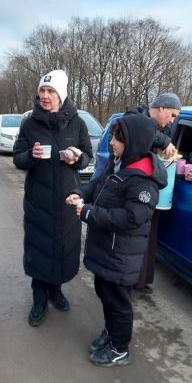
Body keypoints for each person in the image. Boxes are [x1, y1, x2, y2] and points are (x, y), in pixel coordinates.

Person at [66, 111, 167, 366]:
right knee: (103, 291)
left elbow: (131, 218)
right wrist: (79, 193)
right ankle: (111, 333)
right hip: (106, 249)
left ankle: (120, 348)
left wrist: (89, 212)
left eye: (118, 138)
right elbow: (96, 184)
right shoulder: (117, 162)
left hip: (121, 254)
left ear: (134, 142)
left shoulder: (144, 181)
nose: (112, 142)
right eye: (112, 136)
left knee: (119, 302)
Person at [13, 69, 93, 326]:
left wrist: (77, 157)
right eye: (42, 91)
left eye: (51, 91)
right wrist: (31, 156)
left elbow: (87, 157)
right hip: (39, 199)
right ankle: (39, 298)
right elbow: (17, 158)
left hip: (67, 198)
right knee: (39, 247)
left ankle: (56, 291)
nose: (45, 96)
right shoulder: (30, 124)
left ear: (62, 94)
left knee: (62, 246)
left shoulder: (77, 123)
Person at [134, 92, 182, 292]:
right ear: (161, 108)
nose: (172, 121)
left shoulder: (165, 130)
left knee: (149, 236)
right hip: (135, 189)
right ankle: (129, 281)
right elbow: (142, 132)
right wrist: (163, 143)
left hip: (154, 190)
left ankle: (143, 280)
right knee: (134, 238)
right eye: (171, 115)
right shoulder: (136, 117)